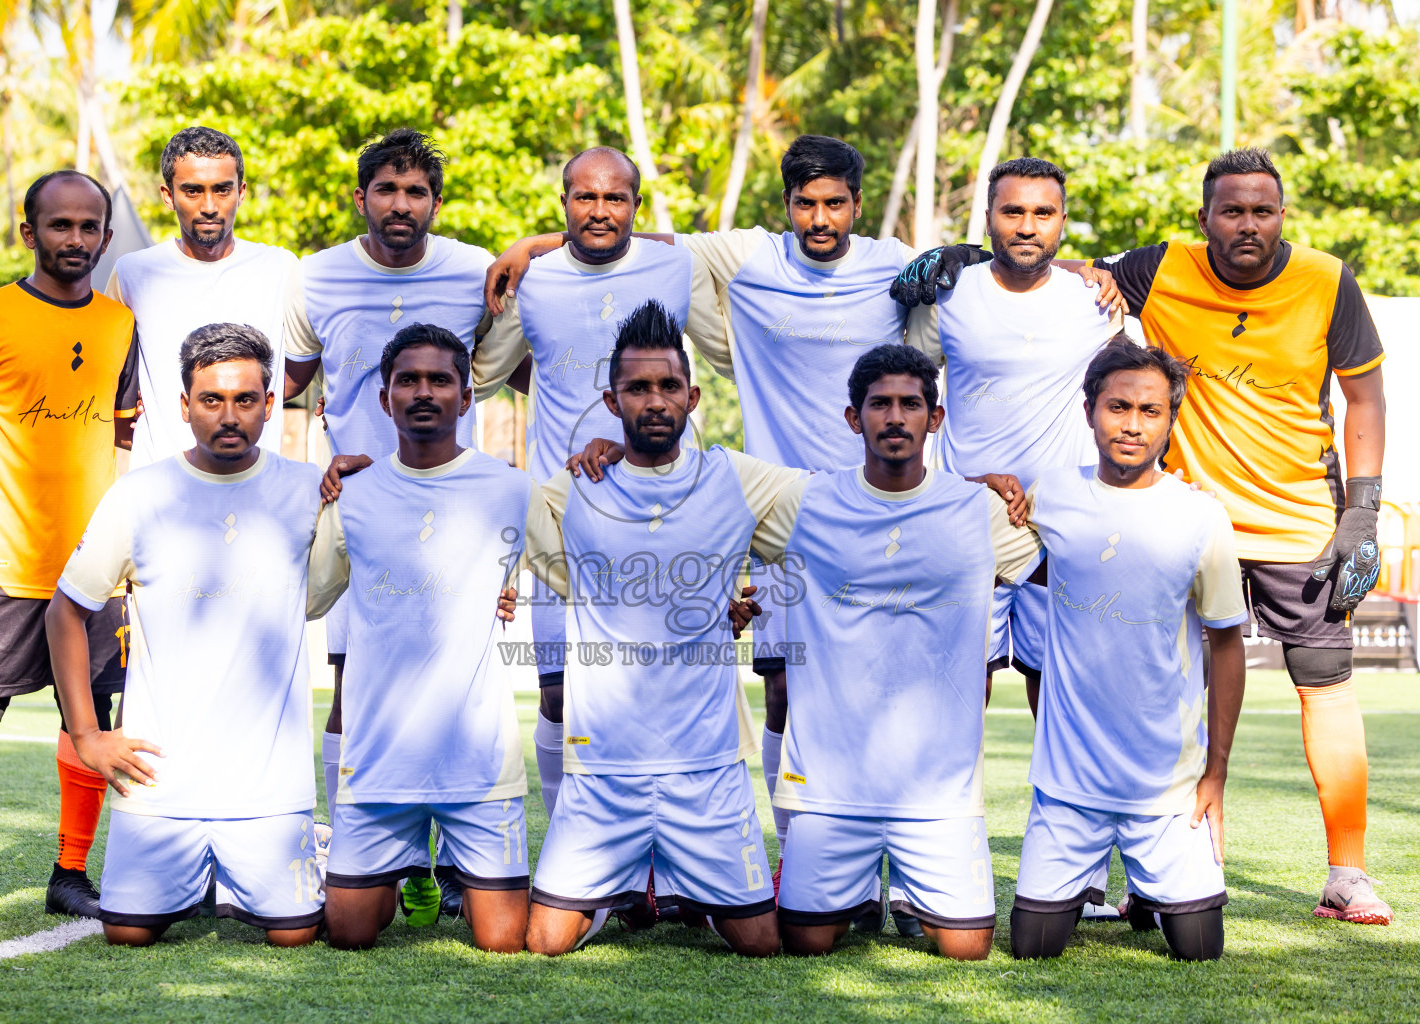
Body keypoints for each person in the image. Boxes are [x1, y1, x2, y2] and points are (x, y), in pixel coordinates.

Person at [488, 136, 1119, 899]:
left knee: (914, 684)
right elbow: (628, 236)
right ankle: (803, 857)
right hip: (789, 516)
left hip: (886, 507)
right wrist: (535, 243)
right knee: (786, 687)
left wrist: (1087, 270)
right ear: (785, 206)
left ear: (857, 203)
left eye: (835, 203)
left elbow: (995, 273)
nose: (820, 218)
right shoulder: (745, 259)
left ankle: (944, 858)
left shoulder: (895, 267)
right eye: (805, 203)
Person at [926, 148, 1391, 925]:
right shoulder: (1158, 267)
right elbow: (1052, 258)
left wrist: (1365, 511)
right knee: (1164, 690)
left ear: (1283, 215)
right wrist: (963, 257)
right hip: (1179, 518)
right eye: (1232, 211)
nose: (1249, 224)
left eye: (1264, 210)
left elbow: (1366, 397)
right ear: (1204, 217)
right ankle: (1168, 867)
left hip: (1299, 518)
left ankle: (1346, 873)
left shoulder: (1326, 279)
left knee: (1325, 685)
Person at [521, 301, 797, 957]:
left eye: (668, 386)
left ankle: (698, 899)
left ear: (693, 395)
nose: (654, 401)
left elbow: (844, 508)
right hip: (602, 771)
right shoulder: (571, 490)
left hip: (707, 771)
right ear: (611, 401)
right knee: (543, 944)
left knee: (762, 947)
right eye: (637, 388)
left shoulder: (737, 478)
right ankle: (612, 896)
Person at [745, 344, 1040, 958]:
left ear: (935, 418)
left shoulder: (978, 511)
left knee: (967, 951)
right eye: (880, 404)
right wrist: (613, 448)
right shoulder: (804, 502)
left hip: (938, 793)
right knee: (805, 945)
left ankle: (901, 893)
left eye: (911, 404)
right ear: (854, 418)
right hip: (829, 788)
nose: (896, 417)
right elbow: (686, 476)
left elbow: (1072, 559)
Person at [468, 147, 726, 826]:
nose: (601, 211)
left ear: (636, 207)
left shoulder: (674, 268)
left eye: (616, 199)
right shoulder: (537, 283)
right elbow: (480, 375)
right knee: (559, 695)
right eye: (586, 198)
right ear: (565, 205)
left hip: (657, 517)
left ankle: (664, 863)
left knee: (656, 694)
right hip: (564, 520)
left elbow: (733, 351)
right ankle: (569, 841)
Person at [45, 323, 324, 947]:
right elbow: (65, 610)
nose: (229, 416)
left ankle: (306, 850)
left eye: (246, 400)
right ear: (183, 406)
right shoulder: (140, 495)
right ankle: (200, 878)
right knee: (127, 935)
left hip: (268, 787)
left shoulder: (309, 489)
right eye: (211, 400)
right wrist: (87, 735)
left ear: (271, 404)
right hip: (160, 785)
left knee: (293, 938)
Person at [284, 132, 495, 922]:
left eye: (415, 192)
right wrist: (295, 486)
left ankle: (455, 860)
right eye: (386, 189)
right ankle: (365, 851)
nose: (400, 204)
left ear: (436, 204)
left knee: (455, 684)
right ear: (360, 197)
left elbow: (514, 365)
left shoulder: (476, 270)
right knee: (353, 686)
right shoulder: (318, 274)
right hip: (356, 513)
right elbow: (289, 387)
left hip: (454, 516)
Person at [0, 170, 140, 925]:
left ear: (105, 239)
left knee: (90, 713)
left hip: (94, 570)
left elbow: (121, 436)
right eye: (59, 225)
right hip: (3, 558)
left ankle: (70, 873)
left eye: (88, 227)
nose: (74, 239)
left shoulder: (120, 325)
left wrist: (127, 549)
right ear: (29, 233)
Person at [1010, 340, 1247, 962]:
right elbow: (1003, 547)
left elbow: (1225, 645)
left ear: (1170, 420)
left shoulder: (1200, 516)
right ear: (1089, 410)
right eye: (1118, 408)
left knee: (1200, 950)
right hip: (1069, 783)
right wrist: (988, 485)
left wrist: (1215, 773)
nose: (1133, 425)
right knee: (1033, 947)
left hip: (1165, 788)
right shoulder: (1050, 496)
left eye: (1151, 411)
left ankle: (1149, 888)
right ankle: (1118, 880)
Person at [307, 324, 535, 954]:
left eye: (441, 379)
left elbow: (581, 566)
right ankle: (410, 870)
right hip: (380, 762)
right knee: (349, 934)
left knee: (502, 942)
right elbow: (305, 596)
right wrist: (313, 494)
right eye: (408, 380)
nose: (424, 391)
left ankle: (446, 869)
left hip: (477, 763)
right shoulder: (352, 495)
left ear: (466, 398)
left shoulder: (512, 490)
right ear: (385, 400)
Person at [906, 157, 1122, 715]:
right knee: (957, 700)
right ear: (988, 218)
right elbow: (907, 404)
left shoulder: (1098, 301)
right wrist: (951, 486)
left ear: (1063, 222)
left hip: (1063, 531)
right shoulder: (949, 295)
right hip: (968, 522)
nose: (1028, 226)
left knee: (1058, 701)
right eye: (1013, 211)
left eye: (1043, 213)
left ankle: (1061, 805)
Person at [107, 126, 313, 467]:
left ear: (241, 192)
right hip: (162, 492)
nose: (209, 206)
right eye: (192, 190)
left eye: (222, 190)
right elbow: (107, 375)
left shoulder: (279, 267)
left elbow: (296, 372)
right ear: (167, 195)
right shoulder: (132, 274)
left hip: (256, 492)